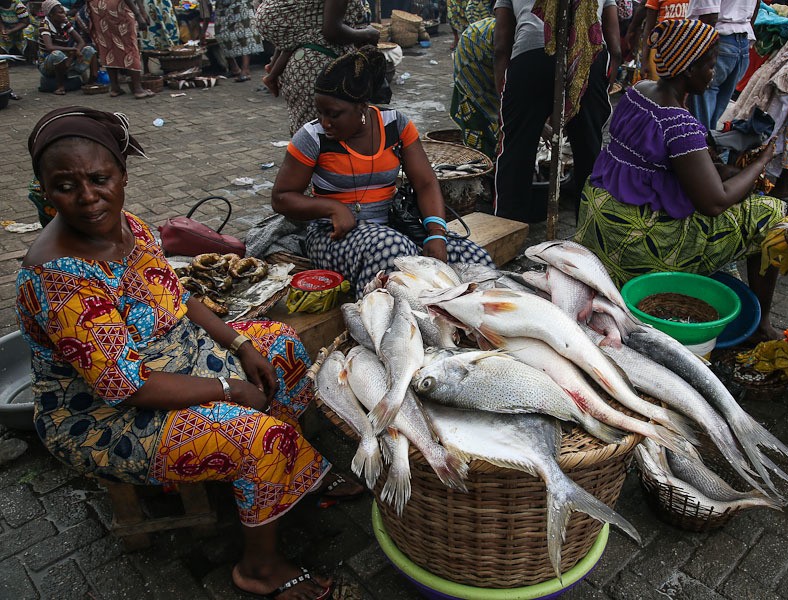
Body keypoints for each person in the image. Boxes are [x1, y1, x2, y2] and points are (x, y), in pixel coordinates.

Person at [18, 106, 361, 600]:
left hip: (175, 358)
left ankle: (294, 471)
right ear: (45, 191)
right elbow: (126, 385)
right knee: (255, 437)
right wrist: (229, 388)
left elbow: (178, 298)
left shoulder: (130, 229)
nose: (88, 196)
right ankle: (258, 568)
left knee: (280, 346)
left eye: (99, 178)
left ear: (122, 175)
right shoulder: (60, 277)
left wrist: (240, 343)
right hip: (105, 415)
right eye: (65, 185)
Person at [574, 19, 786, 340]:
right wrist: (763, 162)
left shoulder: (638, 91)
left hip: (601, 221)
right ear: (688, 70)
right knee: (771, 214)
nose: (713, 74)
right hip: (640, 243)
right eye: (710, 66)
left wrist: (727, 154)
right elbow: (715, 202)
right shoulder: (678, 124)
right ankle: (763, 325)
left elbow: (684, 164)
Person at [270, 47, 494, 295]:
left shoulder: (395, 125)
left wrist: (436, 234)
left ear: (362, 107)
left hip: (394, 226)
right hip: (331, 237)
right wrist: (332, 208)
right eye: (320, 112)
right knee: (395, 253)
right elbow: (282, 197)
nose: (325, 122)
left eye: (334, 114)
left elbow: (426, 183)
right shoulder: (312, 137)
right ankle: (382, 324)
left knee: (473, 258)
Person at [492, 0, 620, 222]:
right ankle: (589, 227)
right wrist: (602, 84)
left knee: (516, 149)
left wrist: (504, 93)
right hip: (588, 58)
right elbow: (615, 47)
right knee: (589, 149)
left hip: (530, 58)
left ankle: (508, 227)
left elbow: (501, 45)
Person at [255, 0, 378, 134]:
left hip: (302, 63)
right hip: (317, 65)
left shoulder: (305, 25)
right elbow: (332, 31)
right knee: (318, 136)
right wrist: (368, 34)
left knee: (305, 132)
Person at [687, 0, 759, 132]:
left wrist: (701, 52)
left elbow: (709, 15)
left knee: (702, 108)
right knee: (714, 113)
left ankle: (701, 146)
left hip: (720, 39)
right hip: (740, 40)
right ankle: (708, 145)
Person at [451, 16, 500, 159]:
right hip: (474, 50)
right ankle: (481, 163)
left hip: (489, 47)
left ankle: (492, 159)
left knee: (500, 114)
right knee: (477, 114)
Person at [87, 0, 155, 98]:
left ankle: (115, 88)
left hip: (97, 7)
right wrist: (138, 14)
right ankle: (138, 89)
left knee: (107, 46)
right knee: (130, 46)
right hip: (117, 7)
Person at [38, 0, 98, 95]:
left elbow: (81, 41)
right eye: (60, 12)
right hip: (48, 64)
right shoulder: (44, 25)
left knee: (90, 49)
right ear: (51, 15)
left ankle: (91, 81)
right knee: (57, 54)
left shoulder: (64, 23)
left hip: (66, 60)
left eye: (63, 11)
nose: (64, 14)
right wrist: (73, 50)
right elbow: (50, 47)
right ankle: (60, 86)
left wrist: (73, 54)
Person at [638, 0, 688, 80]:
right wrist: (644, 60)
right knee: (657, 87)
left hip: (686, 53)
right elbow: (649, 28)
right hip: (660, 53)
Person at [217, 0, 263, 81]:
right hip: (223, 7)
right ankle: (235, 68)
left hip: (241, 5)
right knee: (221, 35)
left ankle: (245, 70)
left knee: (245, 35)